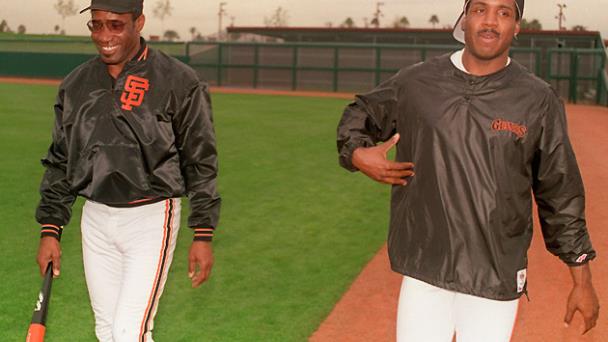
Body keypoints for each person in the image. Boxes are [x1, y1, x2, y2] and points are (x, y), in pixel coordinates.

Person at [336, 0, 599, 341]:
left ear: (517, 26)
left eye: (504, 12)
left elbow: (559, 191)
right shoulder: (416, 83)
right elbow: (360, 113)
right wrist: (357, 153)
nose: (490, 21)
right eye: (480, 9)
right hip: (424, 270)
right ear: (465, 18)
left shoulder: (537, 99)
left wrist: (583, 281)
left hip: (494, 276)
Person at [35, 0, 221, 340]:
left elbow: (200, 159)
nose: (104, 35)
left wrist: (203, 232)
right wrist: (51, 228)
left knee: (128, 331)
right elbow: (60, 160)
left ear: (139, 23)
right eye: (97, 24)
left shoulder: (179, 81)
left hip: (150, 219)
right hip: (95, 219)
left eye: (116, 25)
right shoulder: (76, 84)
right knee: (107, 332)